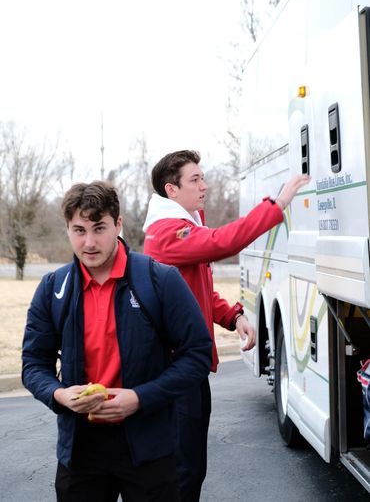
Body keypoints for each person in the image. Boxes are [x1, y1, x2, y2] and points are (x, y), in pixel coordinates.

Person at [22, 180, 213, 502]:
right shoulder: (53, 287)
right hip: (80, 451)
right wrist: (59, 395)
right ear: (68, 229)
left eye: (99, 228)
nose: (90, 242)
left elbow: (197, 355)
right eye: (79, 230)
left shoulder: (159, 279)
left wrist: (139, 397)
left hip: (149, 445)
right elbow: (33, 364)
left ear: (118, 224)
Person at [143, 149, 311, 501]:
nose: (204, 185)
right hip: (176, 370)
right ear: (171, 190)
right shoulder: (167, 233)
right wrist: (276, 205)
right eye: (195, 179)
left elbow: (197, 291)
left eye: (203, 177)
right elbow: (224, 242)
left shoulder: (185, 225)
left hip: (190, 367)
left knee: (191, 465)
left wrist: (233, 316)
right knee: (183, 469)